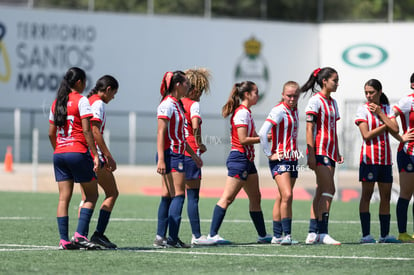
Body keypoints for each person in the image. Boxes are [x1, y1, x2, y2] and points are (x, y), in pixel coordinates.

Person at [207, 81, 272, 244]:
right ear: (247, 94)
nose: (257, 95)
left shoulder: (246, 112)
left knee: (256, 198)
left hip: (247, 161)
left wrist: (263, 137)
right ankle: (212, 235)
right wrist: (263, 138)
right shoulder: (241, 113)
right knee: (227, 198)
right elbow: (242, 140)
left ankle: (263, 236)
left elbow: (250, 136)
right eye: (255, 92)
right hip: (239, 159)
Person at [48, 67, 100, 250]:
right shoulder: (82, 100)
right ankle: (79, 235)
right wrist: (95, 155)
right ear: (79, 82)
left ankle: (64, 240)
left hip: (59, 153)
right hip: (77, 152)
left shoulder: (57, 102)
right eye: (84, 81)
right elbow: (87, 130)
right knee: (92, 194)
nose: (86, 85)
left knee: (64, 198)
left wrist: (60, 149)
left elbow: (51, 133)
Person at [154, 70, 203, 248]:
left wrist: (194, 155)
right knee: (179, 195)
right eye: (186, 84)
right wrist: (161, 159)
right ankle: (172, 238)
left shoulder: (178, 104)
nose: (188, 87)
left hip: (178, 152)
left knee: (167, 195)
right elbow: (161, 132)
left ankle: (161, 237)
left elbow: (181, 136)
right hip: (171, 154)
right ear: (177, 85)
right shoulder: (167, 104)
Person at [355, 79, 401, 244]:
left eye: (371, 92)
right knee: (366, 196)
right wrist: (385, 125)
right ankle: (366, 235)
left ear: (380, 92)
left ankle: (384, 235)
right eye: (366, 92)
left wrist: (381, 114)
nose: (368, 96)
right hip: (369, 160)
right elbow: (366, 135)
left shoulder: (387, 109)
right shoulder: (362, 110)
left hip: (385, 160)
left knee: (386, 197)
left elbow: (396, 129)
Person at [302, 67, 343, 245]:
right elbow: (309, 128)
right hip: (319, 151)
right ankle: (323, 232)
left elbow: (333, 129)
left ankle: (313, 231)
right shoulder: (315, 101)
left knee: (321, 189)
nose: (338, 83)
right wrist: (311, 154)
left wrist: (338, 151)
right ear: (324, 81)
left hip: (331, 152)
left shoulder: (333, 103)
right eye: (335, 80)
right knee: (330, 189)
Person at [78, 75, 119, 249]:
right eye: (114, 93)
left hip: (81, 154)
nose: (113, 97)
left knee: (86, 197)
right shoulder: (98, 103)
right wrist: (107, 156)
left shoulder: (87, 100)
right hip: (94, 156)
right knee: (112, 193)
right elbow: (95, 131)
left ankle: (80, 236)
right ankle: (98, 235)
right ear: (108, 89)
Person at [258, 81, 301, 245]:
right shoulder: (278, 110)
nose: (292, 98)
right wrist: (270, 154)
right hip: (280, 159)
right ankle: (287, 235)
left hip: (292, 158)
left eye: (295, 96)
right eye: (289, 96)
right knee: (288, 195)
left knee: (282, 196)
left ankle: (277, 236)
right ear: (283, 95)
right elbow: (263, 133)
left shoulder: (294, 110)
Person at [181, 68, 215, 246]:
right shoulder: (193, 104)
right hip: (191, 152)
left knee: (177, 197)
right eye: (201, 91)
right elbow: (195, 125)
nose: (201, 95)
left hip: (178, 151)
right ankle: (196, 235)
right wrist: (200, 143)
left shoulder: (178, 102)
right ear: (194, 89)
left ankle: (166, 235)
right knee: (193, 196)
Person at [391, 72, 414, 243]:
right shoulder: (408, 101)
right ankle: (403, 232)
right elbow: (390, 117)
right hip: (408, 153)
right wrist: (400, 137)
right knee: (406, 193)